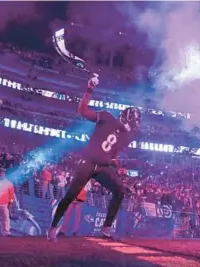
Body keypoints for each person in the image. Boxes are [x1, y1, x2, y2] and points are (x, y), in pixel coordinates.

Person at [48, 75, 141, 242]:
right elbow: (83, 111)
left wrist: (115, 164)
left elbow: (112, 154)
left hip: (104, 167)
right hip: (88, 163)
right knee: (71, 195)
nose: (132, 127)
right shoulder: (106, 117)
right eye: (132, 122)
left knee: (120, 190)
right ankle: (53, 227)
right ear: (125, 117)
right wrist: (89, 90)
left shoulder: (126, 137)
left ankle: (105, 229)